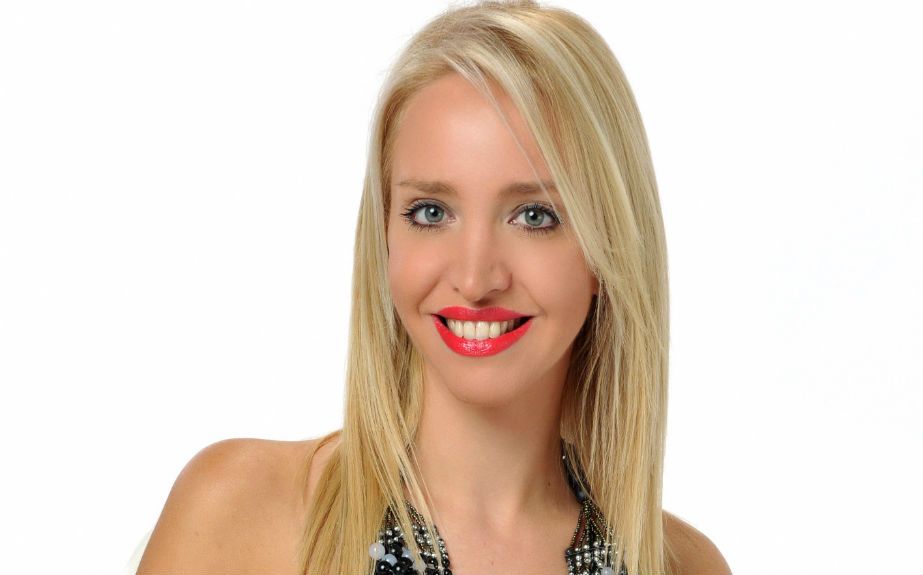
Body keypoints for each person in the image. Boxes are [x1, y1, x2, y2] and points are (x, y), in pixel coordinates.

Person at [136, 2, 731, 574]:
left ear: (608, 248)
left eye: (534, 216)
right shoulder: (241, 512)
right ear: (384, 236)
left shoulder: (682, 566)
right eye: (430, 212)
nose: (474, 280)